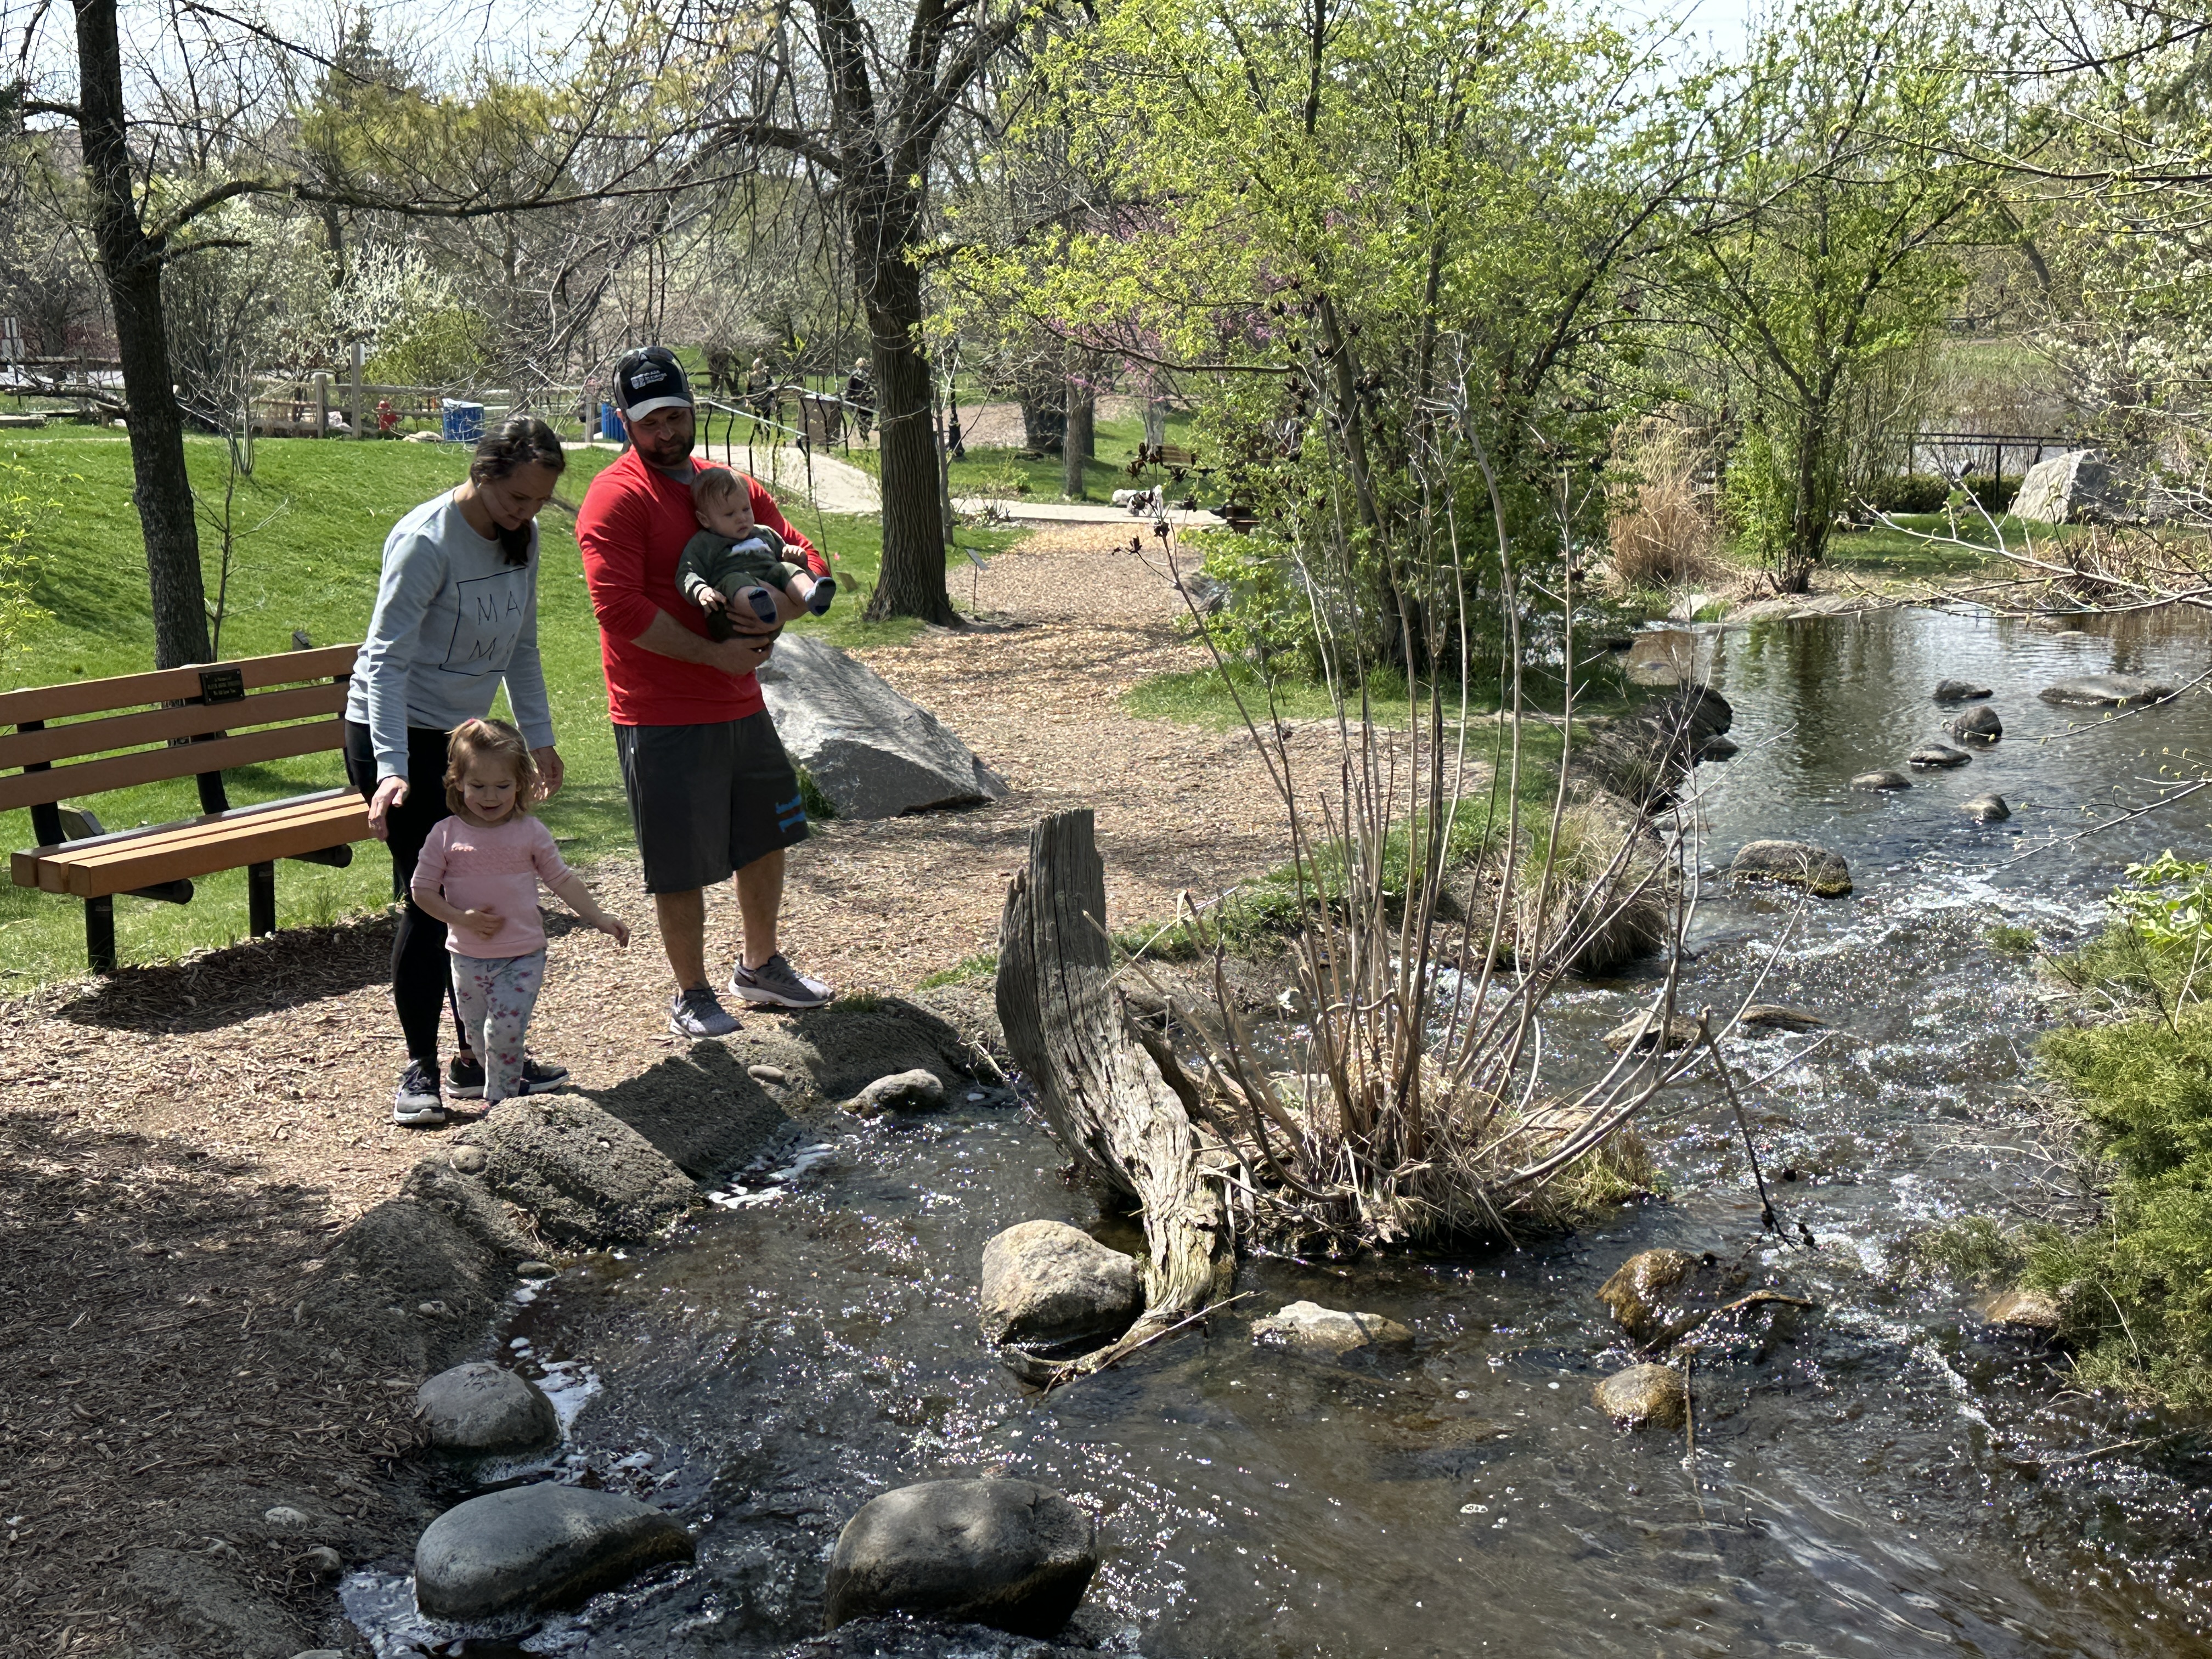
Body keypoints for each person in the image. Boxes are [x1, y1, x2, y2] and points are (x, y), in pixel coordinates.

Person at [575, 345, 836, 1039]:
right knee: (679, 858)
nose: (666, 432)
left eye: (677, 415)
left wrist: (781, 614)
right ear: (626, 423)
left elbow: (803, 554)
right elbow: (619, 609)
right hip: (659, 709)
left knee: (766, 835)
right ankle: (691, 993)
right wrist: (714, 655)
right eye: (651, 420)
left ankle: (759, 967)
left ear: (695, 410)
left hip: (741, 703)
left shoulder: (727, 489)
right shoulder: (616, 496)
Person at [345, 414, 571, 1126]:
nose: (526, 515)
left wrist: (539, 739)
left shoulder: (521, 541)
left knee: (484, 885)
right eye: (516, 500)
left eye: (538, 503)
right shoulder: (426, 542)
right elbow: (384, 663)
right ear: (483, 475)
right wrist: (386, 771)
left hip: (461, 743)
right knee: (429, 895)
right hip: (395, 737)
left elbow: (522, 648)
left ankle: (479, 1059)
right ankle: (419, 1069)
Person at [410, 720, 631, 1106]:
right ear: (458, 782)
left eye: (503, 786)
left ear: (521, 785)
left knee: (506, 1031)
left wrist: (598, 917)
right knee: (478, 1037)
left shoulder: (530, 832)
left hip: (522, 954)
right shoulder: (446, 835)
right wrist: (461, 918)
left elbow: (562, 880)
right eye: (478, 786)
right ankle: (506, 1084)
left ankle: (500, 1106)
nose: (491, 796)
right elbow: (422, 891)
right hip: (467, 957)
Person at [679, 466, 835, 638]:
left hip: (770, 580)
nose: (742, 518)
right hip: (737, 600)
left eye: (746, 509)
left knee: (784, 569)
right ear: (705, 520)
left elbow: (782, 557)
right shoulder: (705, 543)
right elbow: (688, 572)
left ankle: (811, 595)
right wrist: (701, 590)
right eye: (730, 514)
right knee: (735, 579)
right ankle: (760, 606)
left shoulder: (765, 533)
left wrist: (798, 561)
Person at [843, 357, 874, 442]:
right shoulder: (859, 374)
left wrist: (849, 398)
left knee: (864, 418)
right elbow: (850, 387)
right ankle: (864, 435)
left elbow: (850, 388)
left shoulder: (868, 374)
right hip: (863, 400)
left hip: (864, 400)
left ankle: (864, 434)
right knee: (864, 418)